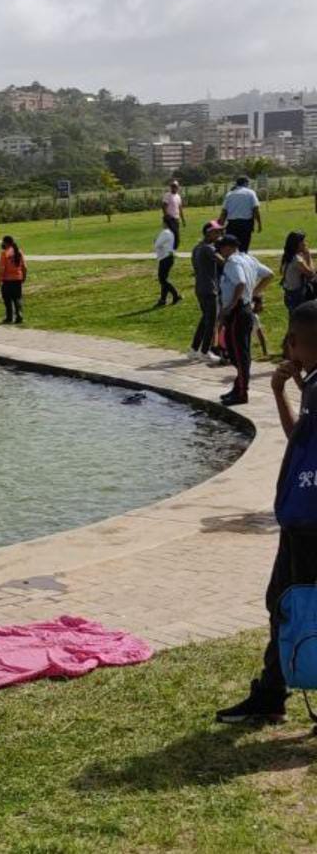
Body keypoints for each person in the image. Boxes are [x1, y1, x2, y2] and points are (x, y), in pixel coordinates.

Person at [216, 301, 317, 724]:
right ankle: (271, 691)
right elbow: (302, 440)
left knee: (289, 603)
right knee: (284, 602)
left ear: (295, 342)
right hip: (302, 519)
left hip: (309, 523)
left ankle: (272, 692)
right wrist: (281, 392)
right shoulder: (312, 385)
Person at [216, 233, 275, 406]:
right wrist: (254, 293)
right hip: (244, 309)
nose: (220, 250)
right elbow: (269, 274)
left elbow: (240, 283)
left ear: (230, 247)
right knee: (236, 352)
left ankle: (242, 393)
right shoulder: (249, 259)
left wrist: (229, 307)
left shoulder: (232, 262)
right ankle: (238, 386)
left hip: (237, 312)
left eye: (222, 247)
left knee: (239, 355)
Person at [189, 220, 224, 362]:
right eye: (217, 232)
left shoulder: (197, 248)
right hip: (210, 288)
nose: (220, 234)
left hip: (200, 287)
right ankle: (205, 351)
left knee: (205, 319)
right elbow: (223, 262)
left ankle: (193, 349)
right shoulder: (209, 249)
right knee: (212, 320)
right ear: (209, 233)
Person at [218, 176, 262, 253]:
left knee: (231, 247)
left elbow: (224, 212)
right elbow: (255, 209)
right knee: (244, 248)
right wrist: (259, 223)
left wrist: (220, 226)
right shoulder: (250, 193)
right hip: (246, 224)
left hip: (232, 224)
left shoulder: (230, 194)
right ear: (245, 183)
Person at [281, 231, 315, 314]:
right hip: (297, 296)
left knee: (294, 319)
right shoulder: (297, 260)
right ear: (298, 244)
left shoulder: (287, 256)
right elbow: (311, 273)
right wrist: (308, 256)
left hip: (289, 294)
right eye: (303, 241)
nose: (306, 243)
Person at [0, 235, 27, 324]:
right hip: (17, 278)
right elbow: (24, 267)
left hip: (7, 279)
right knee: (17, 298)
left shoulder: (4, 253)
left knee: (7, 299)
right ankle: (19, 315)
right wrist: (24, 277)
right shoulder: (19, 252)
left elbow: (2, 268)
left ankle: (9, 317)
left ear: (5, 243)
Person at [153, 223, 182, 307]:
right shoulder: (171, 232)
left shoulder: (165, 232)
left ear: (165, 223)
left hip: (165, 258)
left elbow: (157, 244)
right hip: (169, 257)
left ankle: (176, 295)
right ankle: (163, 300)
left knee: (162, 279)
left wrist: (155, 240)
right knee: (164, 279)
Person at [162, 180, 186, 250]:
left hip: (176, 219)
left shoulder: (178, 196)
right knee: (171, 236)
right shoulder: (167, 195)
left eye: (175, 186)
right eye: (172, 186)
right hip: (170, 219)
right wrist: (166, 217)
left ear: (178, 187)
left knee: (176, 236)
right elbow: (164, 206)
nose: (174, 188)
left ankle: (172, 250)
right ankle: (169, 250)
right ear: (170, 187)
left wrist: (183, 219)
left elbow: (180, 209)